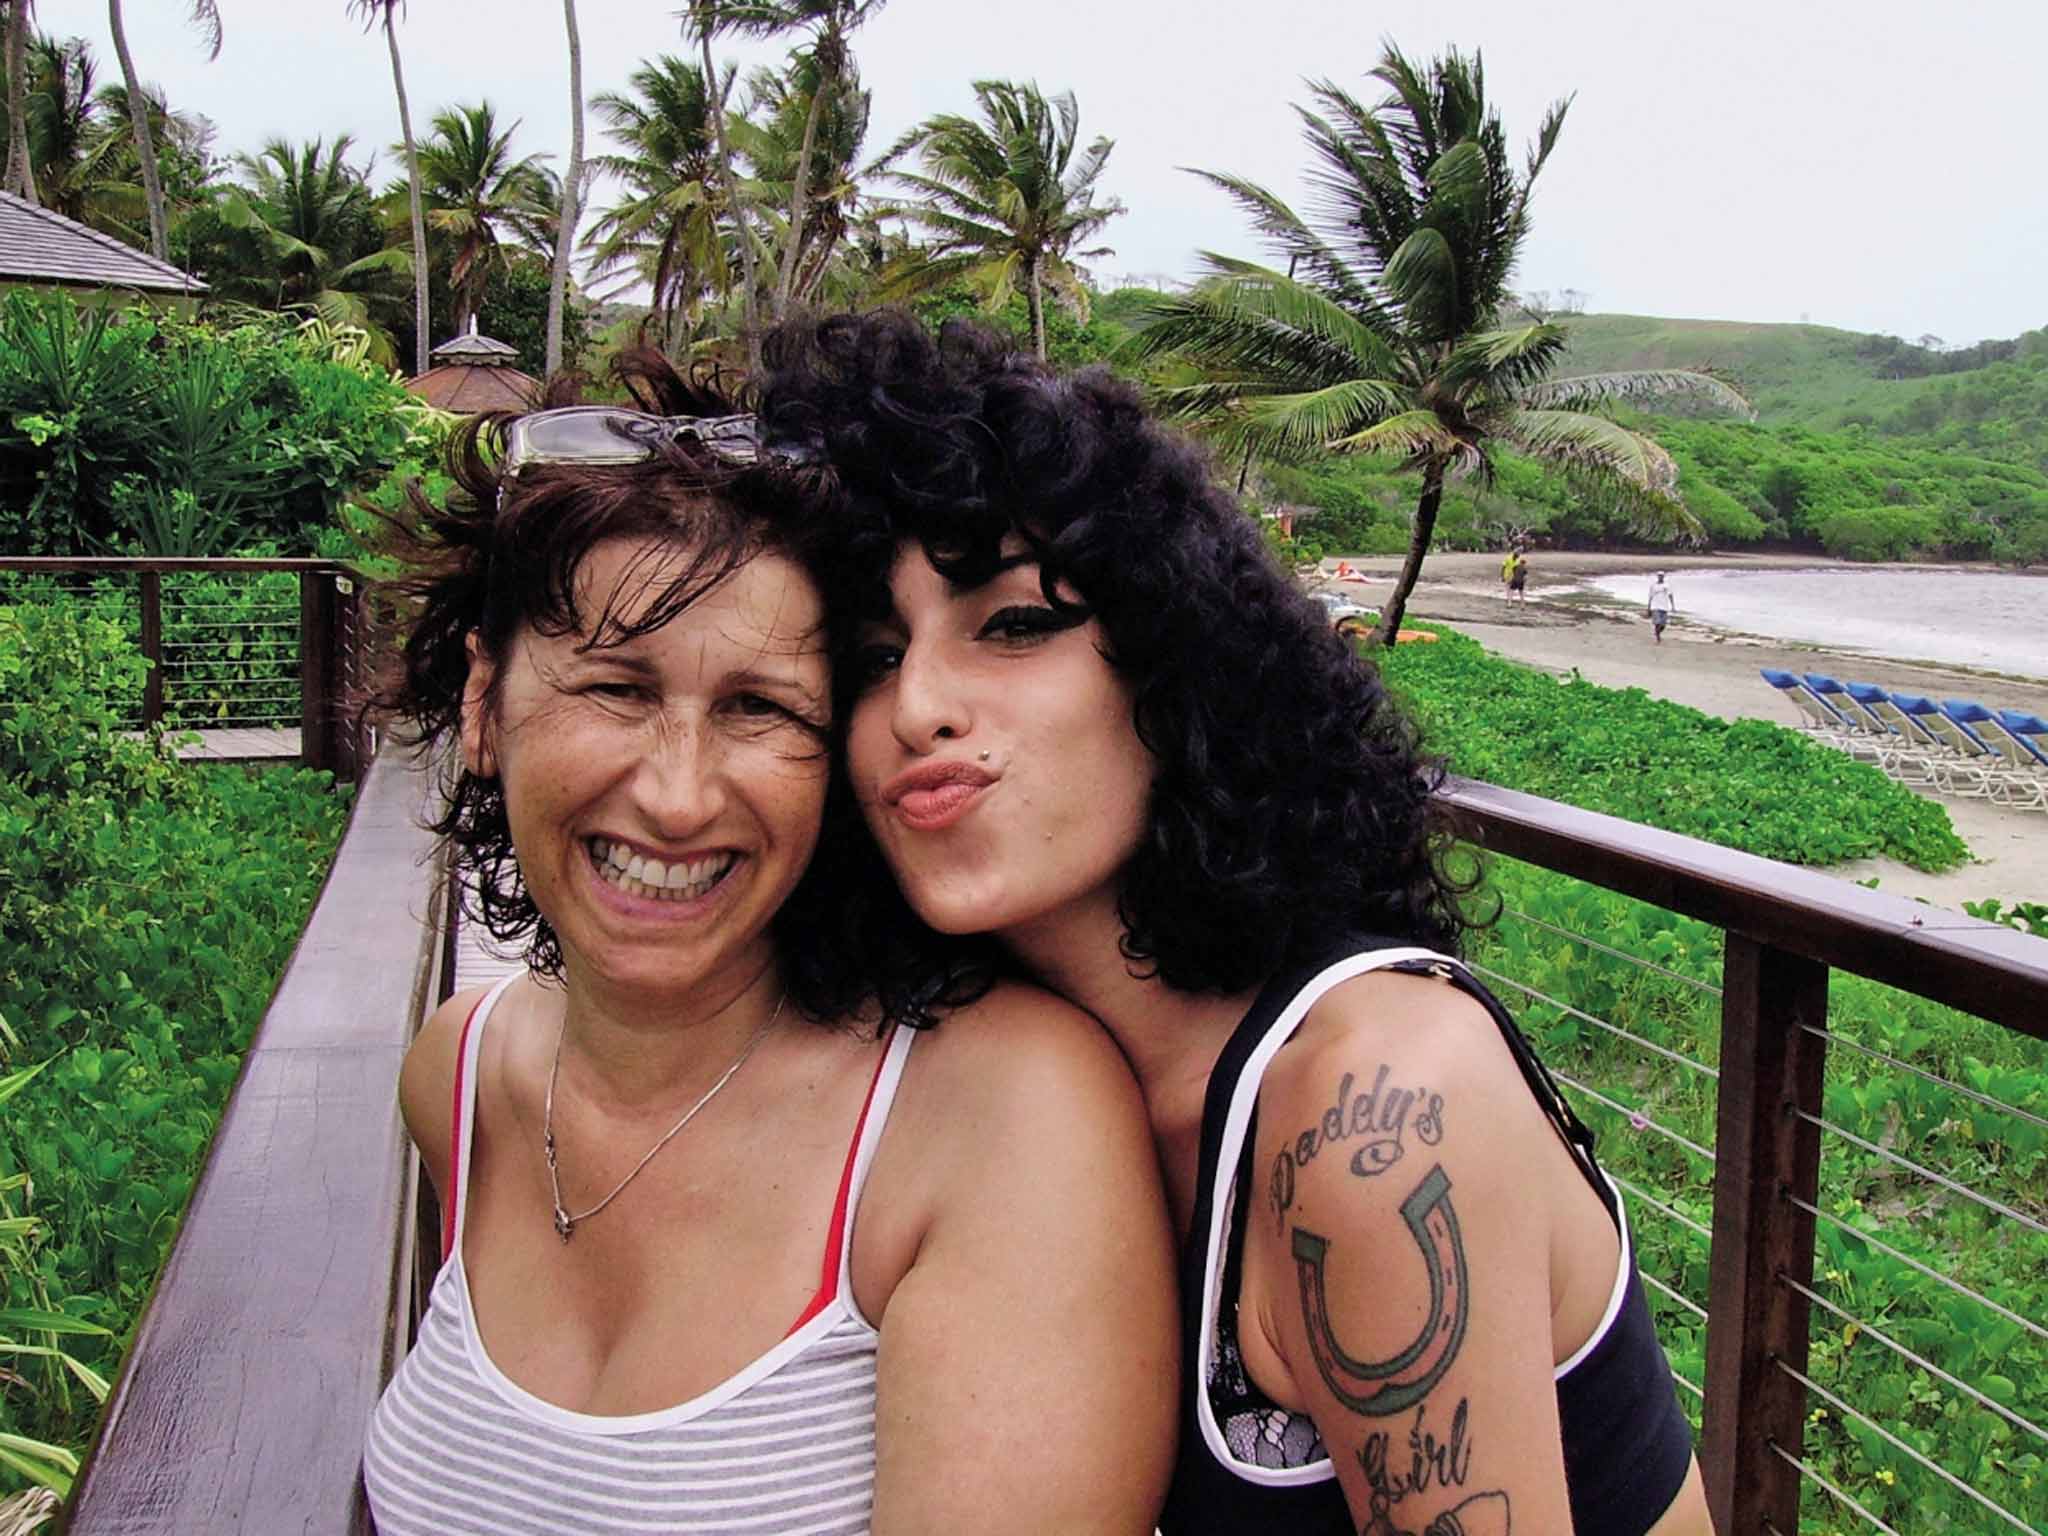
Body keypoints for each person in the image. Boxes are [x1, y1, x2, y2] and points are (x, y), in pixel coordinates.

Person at [760, 312, 1713, 1536]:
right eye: (872, 658)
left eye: (1013, 624)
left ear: (1171, 659)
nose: (920, 707)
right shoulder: (994, 1077)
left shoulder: (1368, 1111)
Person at [358, 358, 1177, 1535]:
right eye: (615, 689)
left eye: (760, 709)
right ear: (483, 707)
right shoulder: (461, 1078)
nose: (680, 798)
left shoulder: (992, 1118)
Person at [1647, 571, 1676, 643]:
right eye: (1659, 576)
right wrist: (1649, 607)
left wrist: (1673, 606)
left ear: (1663, 576)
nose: (1660, 577)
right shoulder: (1653, 586)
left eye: (1662, 576)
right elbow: (1650, 596)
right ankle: (1658, 637)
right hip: (1655, 606)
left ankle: (1657, 633)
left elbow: (1670, 595)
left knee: (1663, 625)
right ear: (1657, 576)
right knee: (1657, 622)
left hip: (1664, 607)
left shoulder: (1667, 585)